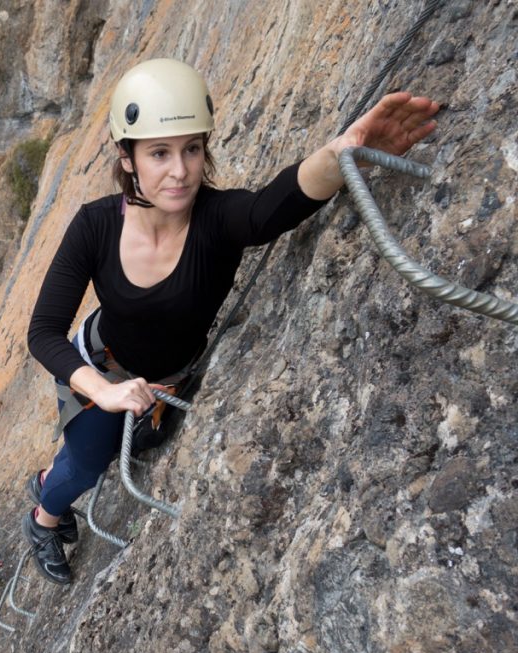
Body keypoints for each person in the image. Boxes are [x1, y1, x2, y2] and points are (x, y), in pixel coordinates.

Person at [22, 58, 439, 584]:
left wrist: (342, 152)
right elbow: (43, 331)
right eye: (158, 153)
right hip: (102, 367)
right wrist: (102, 392)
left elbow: (274, 206)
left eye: (192, 149)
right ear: (125, 158)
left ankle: (50, 478)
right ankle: (44, 517)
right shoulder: (95, 227)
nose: (180, 171)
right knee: (86, 461)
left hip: (165, 376)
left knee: (141, 442)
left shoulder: (217, 221)